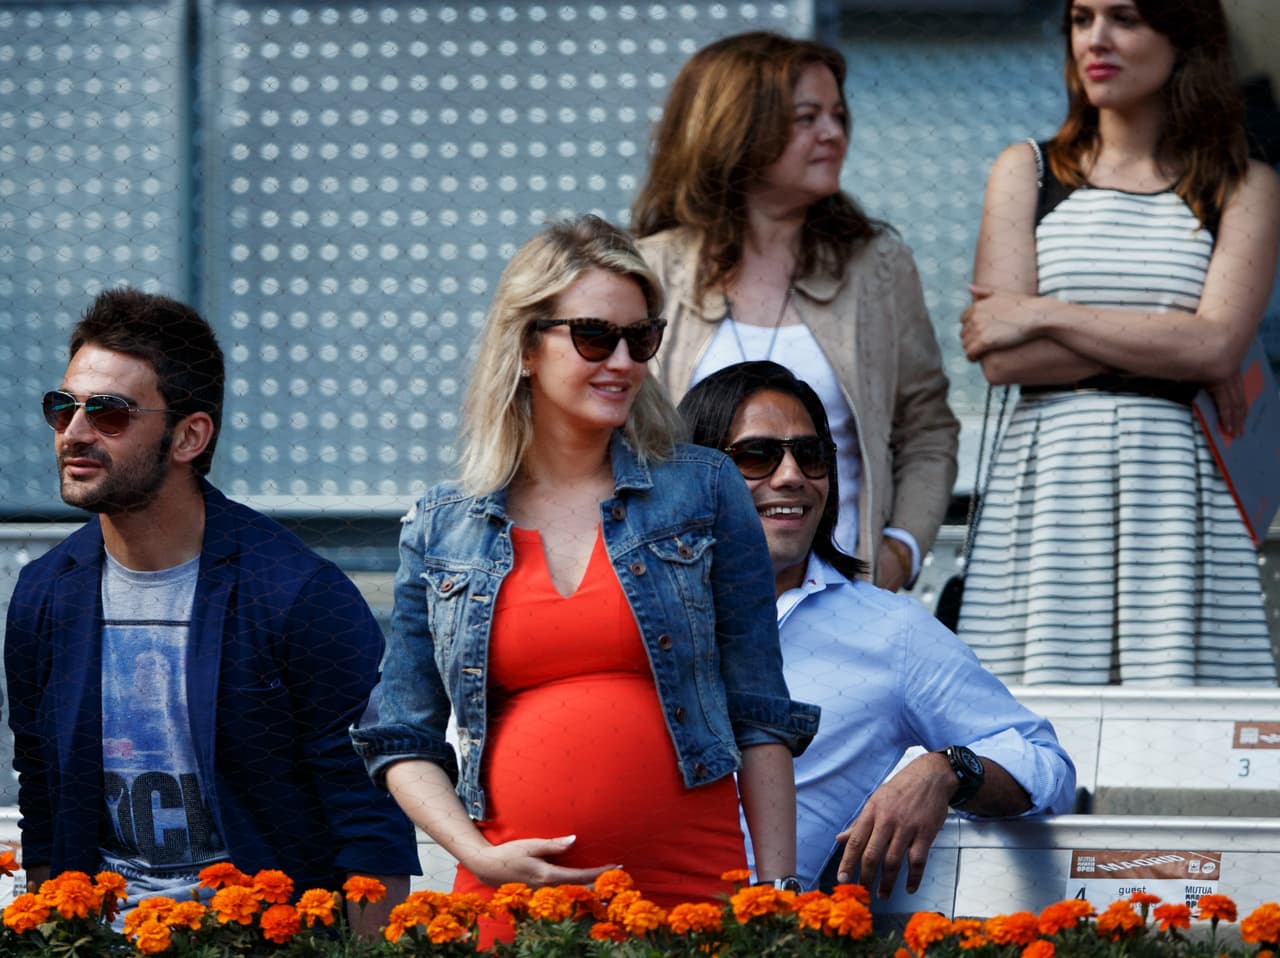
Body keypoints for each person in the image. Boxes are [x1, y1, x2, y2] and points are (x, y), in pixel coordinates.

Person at [350, 216, 819, 920]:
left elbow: (759, 712)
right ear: (527, 347)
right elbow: (402, 735)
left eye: (642, 338)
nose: (624, 361)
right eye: (596, 336)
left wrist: (778, 893)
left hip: (688, 886)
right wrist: (475, 856)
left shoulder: (705, 488)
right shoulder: (443, 523)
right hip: (511, 894)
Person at [4, 289, 418, 926]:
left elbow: (366, 813)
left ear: (189, 435)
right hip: (97, 935)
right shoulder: (44, 594)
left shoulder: (298, 594)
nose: (75, 433)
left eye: (108, 413)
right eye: (62, 408)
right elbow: (41, 789)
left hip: (257, 934)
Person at [958, 0, 1280, 685]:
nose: (1095, 39)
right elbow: (1001, 354)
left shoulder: (1244, 184)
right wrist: (1173, 342)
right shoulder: (1028, 170)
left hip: (1175, 487)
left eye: (1126, 17)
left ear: (1184, 38)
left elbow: (1218, 348)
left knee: (1183, 735)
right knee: (1028, 731)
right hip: (1049, 479)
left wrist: (1043, 314)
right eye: (1081, 17)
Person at [679, 361, 1075, 896]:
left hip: (754, 933)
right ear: (692, 472)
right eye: (758, 455)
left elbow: (1047, 765)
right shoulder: (628, 610)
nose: (793, 475)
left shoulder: (891, 631)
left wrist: (947, 770)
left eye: (812, 454)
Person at [631, 30, 959, 592]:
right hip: (687, 602)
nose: (833, 133)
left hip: (844, 597)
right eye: (807, 118)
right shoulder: (651, 270)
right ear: (736, 129)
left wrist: (899, 551)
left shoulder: (876, 266)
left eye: (837, 115)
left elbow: (926, 426)